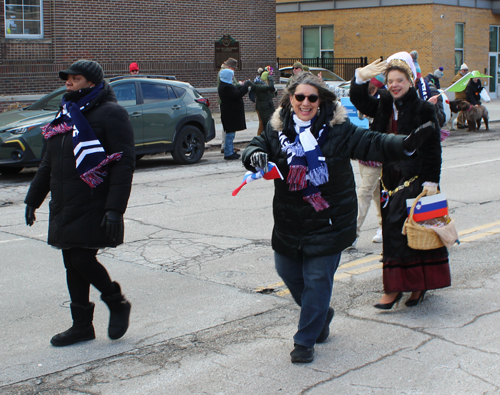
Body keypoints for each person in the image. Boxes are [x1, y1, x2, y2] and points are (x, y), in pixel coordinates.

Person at [242, 72, 432, 363]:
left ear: (322, 100)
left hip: (329, 219)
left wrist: (404, 144)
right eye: (300, 97)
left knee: (317, 280)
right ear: (290, 98)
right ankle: (321, 314)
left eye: (312, 97)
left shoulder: (338, 129)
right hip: (289, 221)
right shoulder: (276, 127)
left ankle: (305, 340)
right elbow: (256, 145)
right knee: (287, 272)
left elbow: (372, 141)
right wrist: (253, 155)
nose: (305, 103)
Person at [24, 60, 136, 347]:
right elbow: (49, 163)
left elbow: (123, 166)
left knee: (81, 258)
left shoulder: (112, 114)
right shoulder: (66, 114)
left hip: (94, 200)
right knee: (70, 262)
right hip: (65, 201)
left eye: (75, 78)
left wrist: (114, 209)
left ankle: (116, 302)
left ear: (92, 82)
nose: (68, 83)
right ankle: (82, 326)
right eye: (67, 78)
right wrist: (33, 199)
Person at [350, 53, 451, 311]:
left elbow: (432, 149)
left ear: (410, 82)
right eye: (391, 80)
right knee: (393, 232)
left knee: (413, 232)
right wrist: (360, 79)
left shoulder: (423, 108)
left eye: (400, 80)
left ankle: (414, 285)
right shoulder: (384, 102)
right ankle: (398, 286)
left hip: (415, 179)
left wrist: (431, 181)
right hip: (389, 179)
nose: (394, 85)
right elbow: (359, 100)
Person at [218, 68, 251, 160]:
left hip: (230, 113)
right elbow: (237, 94)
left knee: (231, 133)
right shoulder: (226, 87)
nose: (233, 77)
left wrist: (241, 86)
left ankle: (231, 151)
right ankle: (228, 153)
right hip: (229, 113)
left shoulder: (226, 85)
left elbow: (235, 91)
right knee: (230, 134)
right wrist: (245, 86)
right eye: (231, 76)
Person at [217, 58, 242, 154]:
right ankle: (226, 146)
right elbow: (230, 86)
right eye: (234, 68)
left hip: (226, 102)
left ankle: (228, 146)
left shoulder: (223, 72)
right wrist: (239, 85)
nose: (234, 71)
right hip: (226, 103)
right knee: (228, 127)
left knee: (228, 127)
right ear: (229, 67)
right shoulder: (224, 73)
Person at [250, 67, 276, 136]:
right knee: (263, 125)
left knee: (266, 124)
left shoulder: (263, 86)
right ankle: (260, 138)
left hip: (267, 107)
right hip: (263, 108)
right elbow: (271, 87)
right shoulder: (259, 86)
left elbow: (271, 93)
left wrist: (274, 92)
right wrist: (270, 78)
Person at [451, 63, 469, 128]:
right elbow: (452, 84)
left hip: (465, 96)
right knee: (461, 110)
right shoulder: (457, 77)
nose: (465, 71)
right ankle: (460, 122)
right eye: (464, 70)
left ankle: (463, 122)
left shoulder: (466, 77)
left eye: (466, 70)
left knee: (465, 110)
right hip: (459, 97)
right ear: (461, 70)